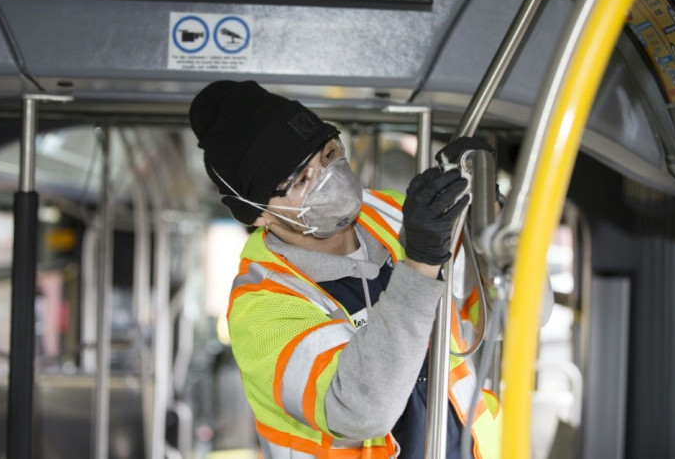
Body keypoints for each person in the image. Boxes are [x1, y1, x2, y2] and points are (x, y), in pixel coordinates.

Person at [189, 80, 502, 458]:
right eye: (300, 180)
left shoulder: (398, 214)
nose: (327, 178)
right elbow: (361, 410)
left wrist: (490, 215)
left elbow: (520, 316)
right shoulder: (261, 308)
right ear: (257, 214)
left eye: (328, 154)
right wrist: (420, 264)